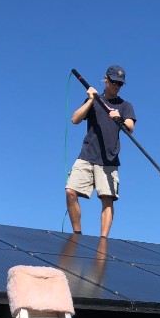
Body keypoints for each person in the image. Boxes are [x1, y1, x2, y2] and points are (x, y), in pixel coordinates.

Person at [65, 65, 136, 237]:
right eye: (113, 82)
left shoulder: (125, 105)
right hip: (87, 155)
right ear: (105, 79)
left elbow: (130, 127)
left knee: (108, 199)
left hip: (109, 160)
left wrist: (118, 118)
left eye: (120, 84)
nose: (116, 86)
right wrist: (90, 100)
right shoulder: (95, 101)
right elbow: (75, 119)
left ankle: (103, 239)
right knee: (70, 191)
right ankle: (77, 234)